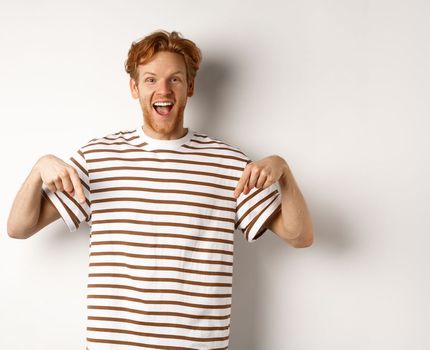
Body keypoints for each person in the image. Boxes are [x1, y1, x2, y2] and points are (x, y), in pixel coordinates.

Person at [6, 29, 314, 349]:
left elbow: (300, 236)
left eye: (175, 79)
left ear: (190, 86)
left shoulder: (229, 164)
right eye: (151, 79)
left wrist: (284, 172)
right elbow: (19, 227)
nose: (162, 89)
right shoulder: (98, 159)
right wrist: (39, 168)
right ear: (134, 88)